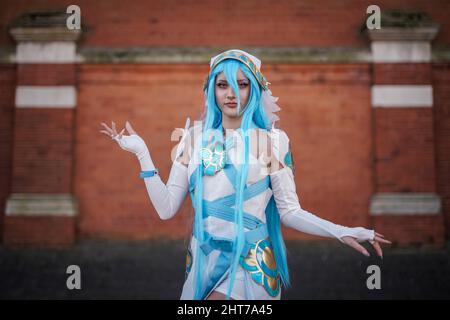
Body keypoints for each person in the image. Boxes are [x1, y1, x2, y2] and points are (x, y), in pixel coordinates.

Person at [100, 49, 391, 300]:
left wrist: (341, 232)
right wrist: (142, 154)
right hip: (202, 263)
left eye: (241, 85)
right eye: (222, 84)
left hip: (250, 265)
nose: (231, 93)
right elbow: (166, 209)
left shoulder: (271, 141)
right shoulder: (192, 139)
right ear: (211, 90)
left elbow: (290, 211)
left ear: (253, 90)